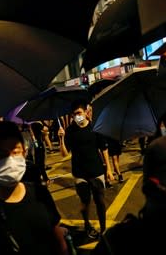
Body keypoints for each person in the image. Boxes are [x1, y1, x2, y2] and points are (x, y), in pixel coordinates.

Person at [0, 120, 69, 255]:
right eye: (1, 155)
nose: (10, 160)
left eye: (16, 152)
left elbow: (56, 233)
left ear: (24, 152)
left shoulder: (39, 191)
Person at [58, 99, 115, 239]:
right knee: (85, 203)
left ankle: (103, 228)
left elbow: (104, 149)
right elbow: (64, 154)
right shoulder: (70, 131)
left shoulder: (95, 127)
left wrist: (108, 169)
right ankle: (87, 225)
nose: (76, 116)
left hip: (96, 171)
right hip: (79, 173)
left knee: (100, 201)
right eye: (73, 114)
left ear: (85, 112)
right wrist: (61, 138)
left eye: (78, 113)